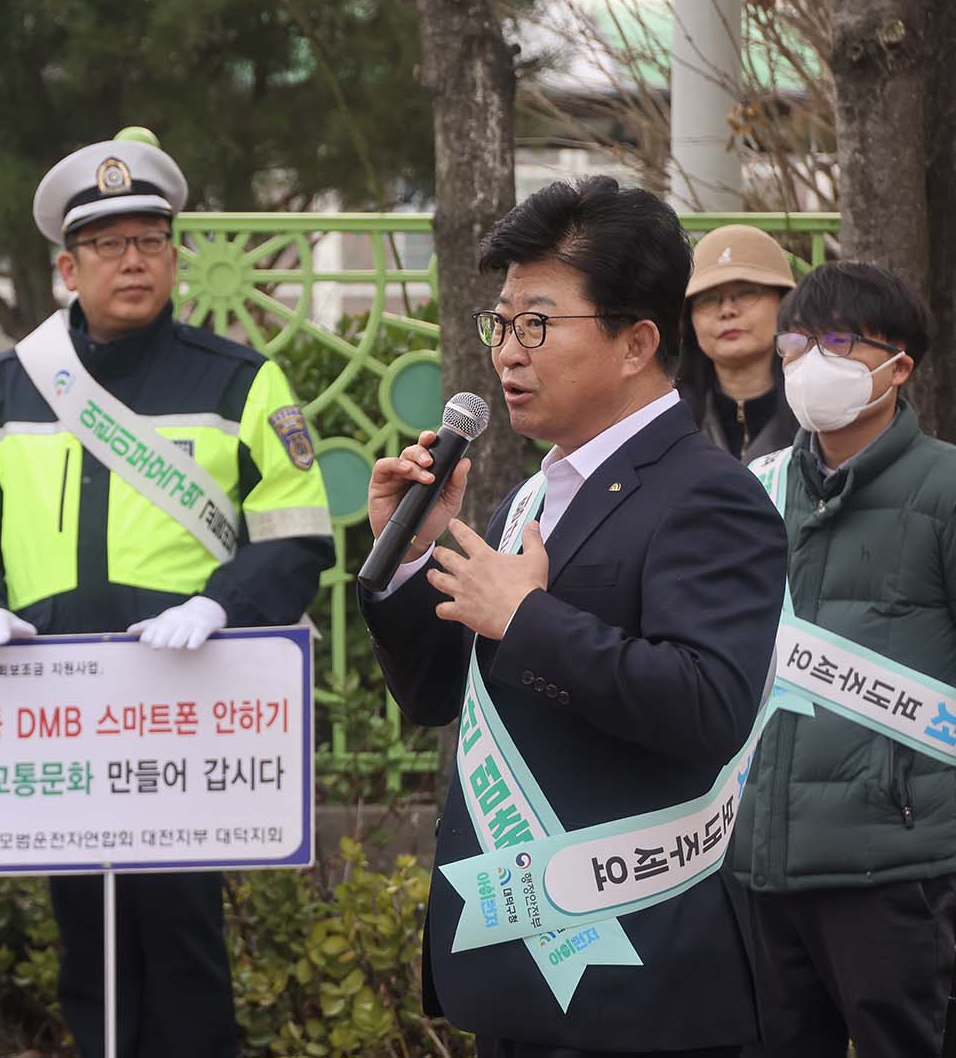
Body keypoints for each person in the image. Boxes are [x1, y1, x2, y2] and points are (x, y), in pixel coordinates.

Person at [0, 131, 334, 1058]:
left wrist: (222, 604)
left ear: (177, 255)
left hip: (187, 704)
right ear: (68, 264)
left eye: (150, 239)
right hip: (55, 702)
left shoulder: (239, 381)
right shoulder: (1, 387)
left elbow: (298, 530)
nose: (133, 260)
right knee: (89, 940)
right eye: (109, 245)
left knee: (184, 939)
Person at [359, 176, 785, 1057]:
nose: (508, 353)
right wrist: (412, 556)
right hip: (516, 960)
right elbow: (441, 697)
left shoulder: (710, 496)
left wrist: (527, 619)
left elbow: (707, 707)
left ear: (636, 343)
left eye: (539, 324)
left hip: (644, 979)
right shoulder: (528, 502)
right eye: (502, 324)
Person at [726, 261, 956, 1058]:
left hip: (896, 870)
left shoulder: (945, 490)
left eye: (837, 342)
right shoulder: (754, 493)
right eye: (797, 343)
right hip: (757, 862)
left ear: (899, 366)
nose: (810, 362)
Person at [674, 224, 796, 461]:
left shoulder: (814, 411)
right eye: (709, 299)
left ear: (784, 304)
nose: (727, 310)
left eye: (747, 293)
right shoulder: (671, 420)